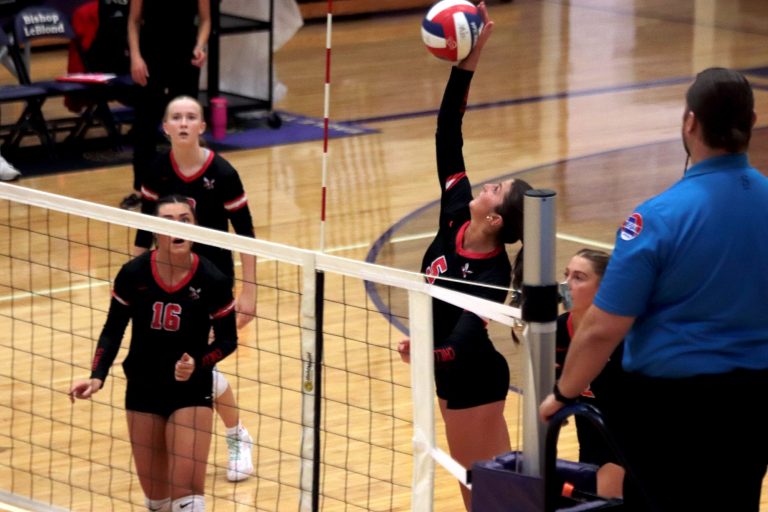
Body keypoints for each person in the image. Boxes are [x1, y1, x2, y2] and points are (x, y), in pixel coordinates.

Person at [540, 67, 768, 512]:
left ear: (689, 123)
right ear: (752, 122)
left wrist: (563, 394)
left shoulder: (658, 219)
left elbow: (602, 328)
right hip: (757, 401)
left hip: (675, 411)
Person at [397, 4, 532, 509]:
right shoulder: (457, 210)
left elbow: (463, 339)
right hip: (450, 375)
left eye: (496, 189)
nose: (487, 184)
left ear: (495, 219)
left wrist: (424, 350)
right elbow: (446, 134)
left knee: (492, 497)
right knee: (476, 490)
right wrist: (467, 64)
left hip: (472, 377)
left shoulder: (493, 273)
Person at [70, 195, 238, 512]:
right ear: (154, 230)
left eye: (185, 220)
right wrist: (97, 375)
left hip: (190, 390)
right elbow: (113, 328)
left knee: (186, 498)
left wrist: (198, 363)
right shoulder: (134, 274)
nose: (178, 227)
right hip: (143, 388)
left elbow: (228, 340)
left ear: (195, 226)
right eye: (168, 220)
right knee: (158, 502)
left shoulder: (213, 279)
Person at [134, 95, 256, 482]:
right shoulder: (155, 170)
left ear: (202, 127)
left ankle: (237, 436)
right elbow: (143, 231)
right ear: (166, 127)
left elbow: (248, 235)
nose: (184, 122)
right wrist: (134, 279)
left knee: (196, 364)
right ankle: (208, 433)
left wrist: (249, 293)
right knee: (178, 365)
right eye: (176, 117)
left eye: (191, 117)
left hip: (211, 282)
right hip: (165, 279)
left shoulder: (222, 172)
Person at [121, 0, 211, 210]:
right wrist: (135, 57)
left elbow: (205, 20)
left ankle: (186, 189)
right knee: (145, 123)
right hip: (151, 55)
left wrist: (200, 46)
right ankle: (141, 190)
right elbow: (133, 21)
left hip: (185, 57)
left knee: (186, 127)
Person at [556, 248, 624, 498]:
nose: (566, 285)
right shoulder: (559, 330)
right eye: (566, 275)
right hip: (589, 447)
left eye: (579, 277)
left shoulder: (623, 335)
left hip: (629, 447)